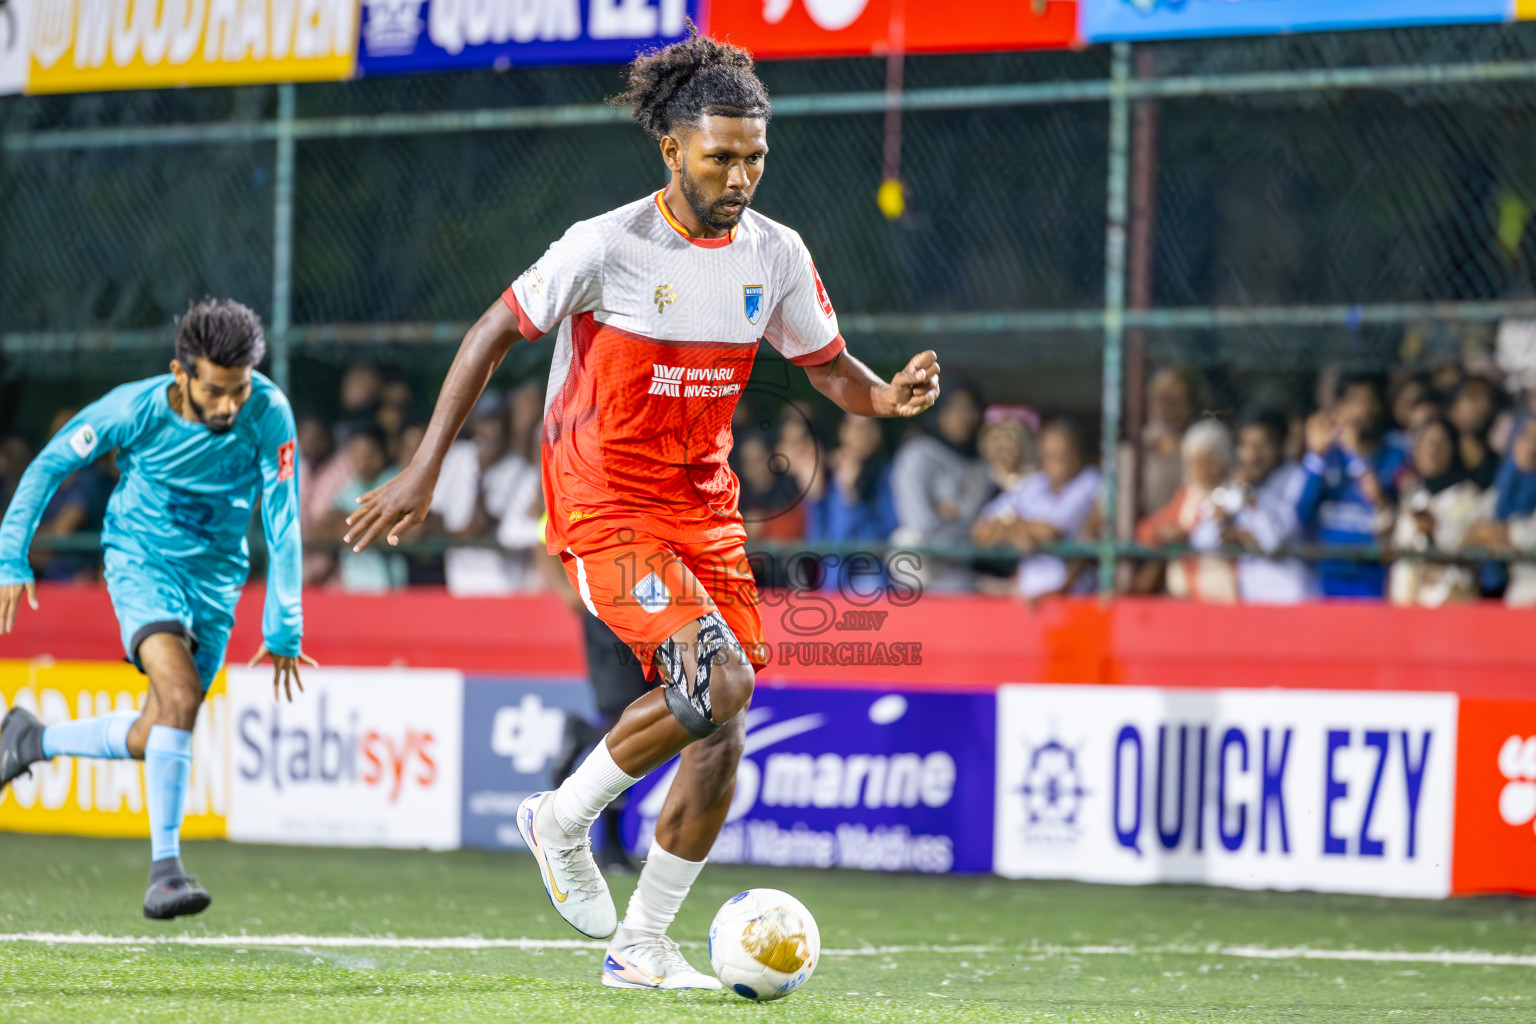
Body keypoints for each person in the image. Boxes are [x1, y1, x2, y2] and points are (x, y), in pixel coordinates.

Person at [343, 28, 940, 992]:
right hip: (601, 501)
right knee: (719, 679)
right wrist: (422, 471)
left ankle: (642, 944)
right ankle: (561, 819)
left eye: (754, 156)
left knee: (724, 718)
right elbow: (496, 330)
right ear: (671, 147)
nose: (740, 173)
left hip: (704, 509)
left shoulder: (776, 254)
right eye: (720, 155)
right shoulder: (606, 245)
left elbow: (827, 367)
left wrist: (886, 396)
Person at [0, 299, 314, 919]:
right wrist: (12, 556)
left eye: (240, 389)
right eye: (218, 392)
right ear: (181, 374)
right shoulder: (133, 409)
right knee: (178, 696)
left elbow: (283, 517)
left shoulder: (268, 412)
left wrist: (284, 624)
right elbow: (49, 465)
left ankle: (30, 739)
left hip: (216, 583)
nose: (231, 406)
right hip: (141, 562)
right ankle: (165, 871)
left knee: (162, 726)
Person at [1297, 374, 1406, 598]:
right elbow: (1301, 514)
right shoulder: (1327, 456)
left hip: (1375, 577)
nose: (1362, 410)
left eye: (1369, 401)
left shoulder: (1396, 454)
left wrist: (1355, 454)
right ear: (1340, 408)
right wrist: (1316, 456)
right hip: (1329, 577)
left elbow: (1384, 507)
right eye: (1354, 401)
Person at [971, 419, 1100, 601]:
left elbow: (1051, 531)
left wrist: (1011, 526)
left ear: (1077, 453)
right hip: (1026, 600)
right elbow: (981, 531)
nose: (1055, 460)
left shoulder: (1090, 481)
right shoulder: (1034, 484)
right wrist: (1018, 531)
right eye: (1049, 454)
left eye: (1062, 454)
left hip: (1074, 600)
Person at [1191, 409, 1310, 604]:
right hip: (1252, 599)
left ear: (1281, 445)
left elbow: (1273, 542)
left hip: (1292, 596)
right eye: (1245, 445)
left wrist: (1253, 502)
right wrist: (1221, 526)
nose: (1253, 453)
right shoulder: (1237, 483)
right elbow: (1200, 542)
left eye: (1263, 444)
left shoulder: (1297, 480)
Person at [890, 382, 990, 590]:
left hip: (963, 576)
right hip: (920, 575)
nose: (963, 416)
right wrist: (952, 520)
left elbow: (976, 526)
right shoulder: (918, 454)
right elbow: (918, 522)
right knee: (905, 541)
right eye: (953, 407)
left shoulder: (982, 467)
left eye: (969, 408)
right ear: (937, 411)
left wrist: (950, 514)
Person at [1388, 417, 1491, 607]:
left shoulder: (1469, 498)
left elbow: (1472, 552)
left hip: (1452, 602)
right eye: (1425, 441)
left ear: (1454, 449)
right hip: (1406, 605)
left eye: (1440, 442)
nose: (1431, 450)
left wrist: (1431, 535)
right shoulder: (1410, 495)